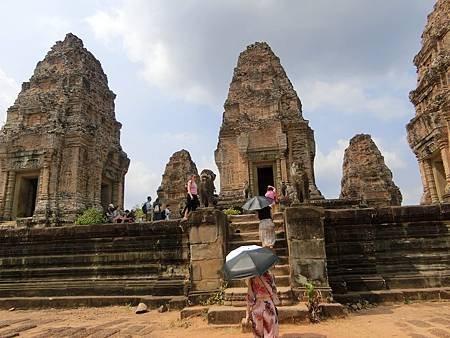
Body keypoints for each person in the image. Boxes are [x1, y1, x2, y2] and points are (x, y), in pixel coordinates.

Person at [245, 270, 280, 337]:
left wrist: (247, 313)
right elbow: (274, 291)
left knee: (258, 333)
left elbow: (250, 297)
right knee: (270, 333)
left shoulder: (252, 278)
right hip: (269, 305)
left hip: (257, 307)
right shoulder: (270, 276)